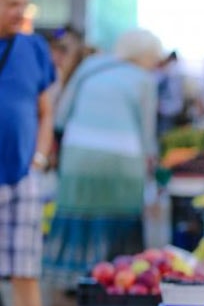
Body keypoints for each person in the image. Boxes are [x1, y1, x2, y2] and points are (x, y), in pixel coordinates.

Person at [43, 29, 160, 289]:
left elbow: (61, 116)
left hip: (78, 156)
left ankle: (73, 281)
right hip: (123, 160)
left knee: (79, 216)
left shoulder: (90, 67)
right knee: (121, 224)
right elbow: (147, 132)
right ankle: (117, 284)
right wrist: (152, 167)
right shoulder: (144, 80)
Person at [0, 0, 57, 306]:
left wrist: (38, 158)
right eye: (12, 3)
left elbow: (45, 110)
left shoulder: (34, 48)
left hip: (22, 178)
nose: (22, 13)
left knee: (26, 275)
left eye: (24, 3)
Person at [156, 51, 185, 135]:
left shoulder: (171, 70)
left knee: (166, 132)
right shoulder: (175, 70)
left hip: (167, 108)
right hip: (171, 108)